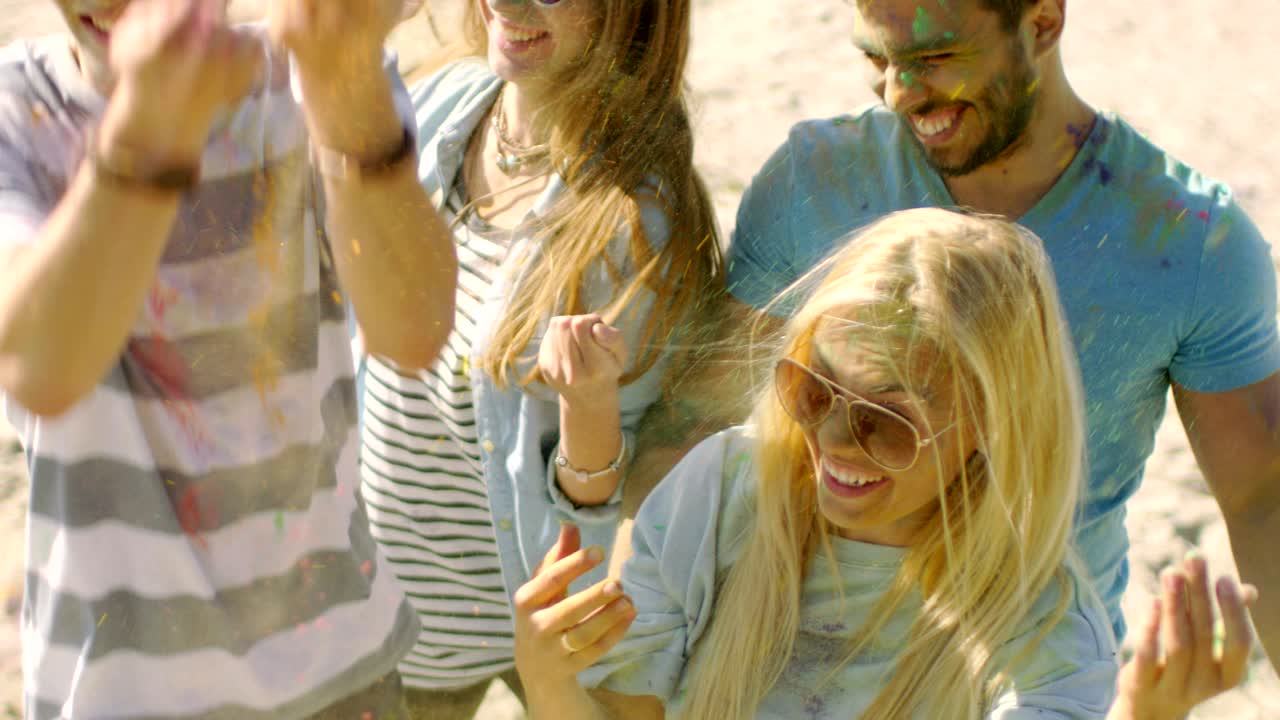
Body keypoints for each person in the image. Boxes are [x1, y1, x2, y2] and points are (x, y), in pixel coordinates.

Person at [622, 0, 1280, 661]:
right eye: (877, 60)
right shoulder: (814, 179)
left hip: (1031, 672)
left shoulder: (1187, 242)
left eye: (934, 59)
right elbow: (694, 427)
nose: (901, 94)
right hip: (806, 665)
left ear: (1043, 23)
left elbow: (1261, 500)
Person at [512, 208, 1259, 719]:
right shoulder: (723, 489)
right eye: (812, 390)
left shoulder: (1045, 629)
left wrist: (1142, 712)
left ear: (991, 425)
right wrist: (548, 680)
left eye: (885, 421)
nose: (833, 439)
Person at [0, 0, 457, 717]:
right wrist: (148, 135)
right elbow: (42, 366)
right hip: (120, 695)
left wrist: (347, 92)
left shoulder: (309, 74)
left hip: (340, 674)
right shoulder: (15, 112)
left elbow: (414, 329)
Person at [355, 0, 721, 716]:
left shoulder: (631, 226)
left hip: (509, 622)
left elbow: (606, 503)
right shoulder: (443, 104)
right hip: (376, 599)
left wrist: (588, 406)